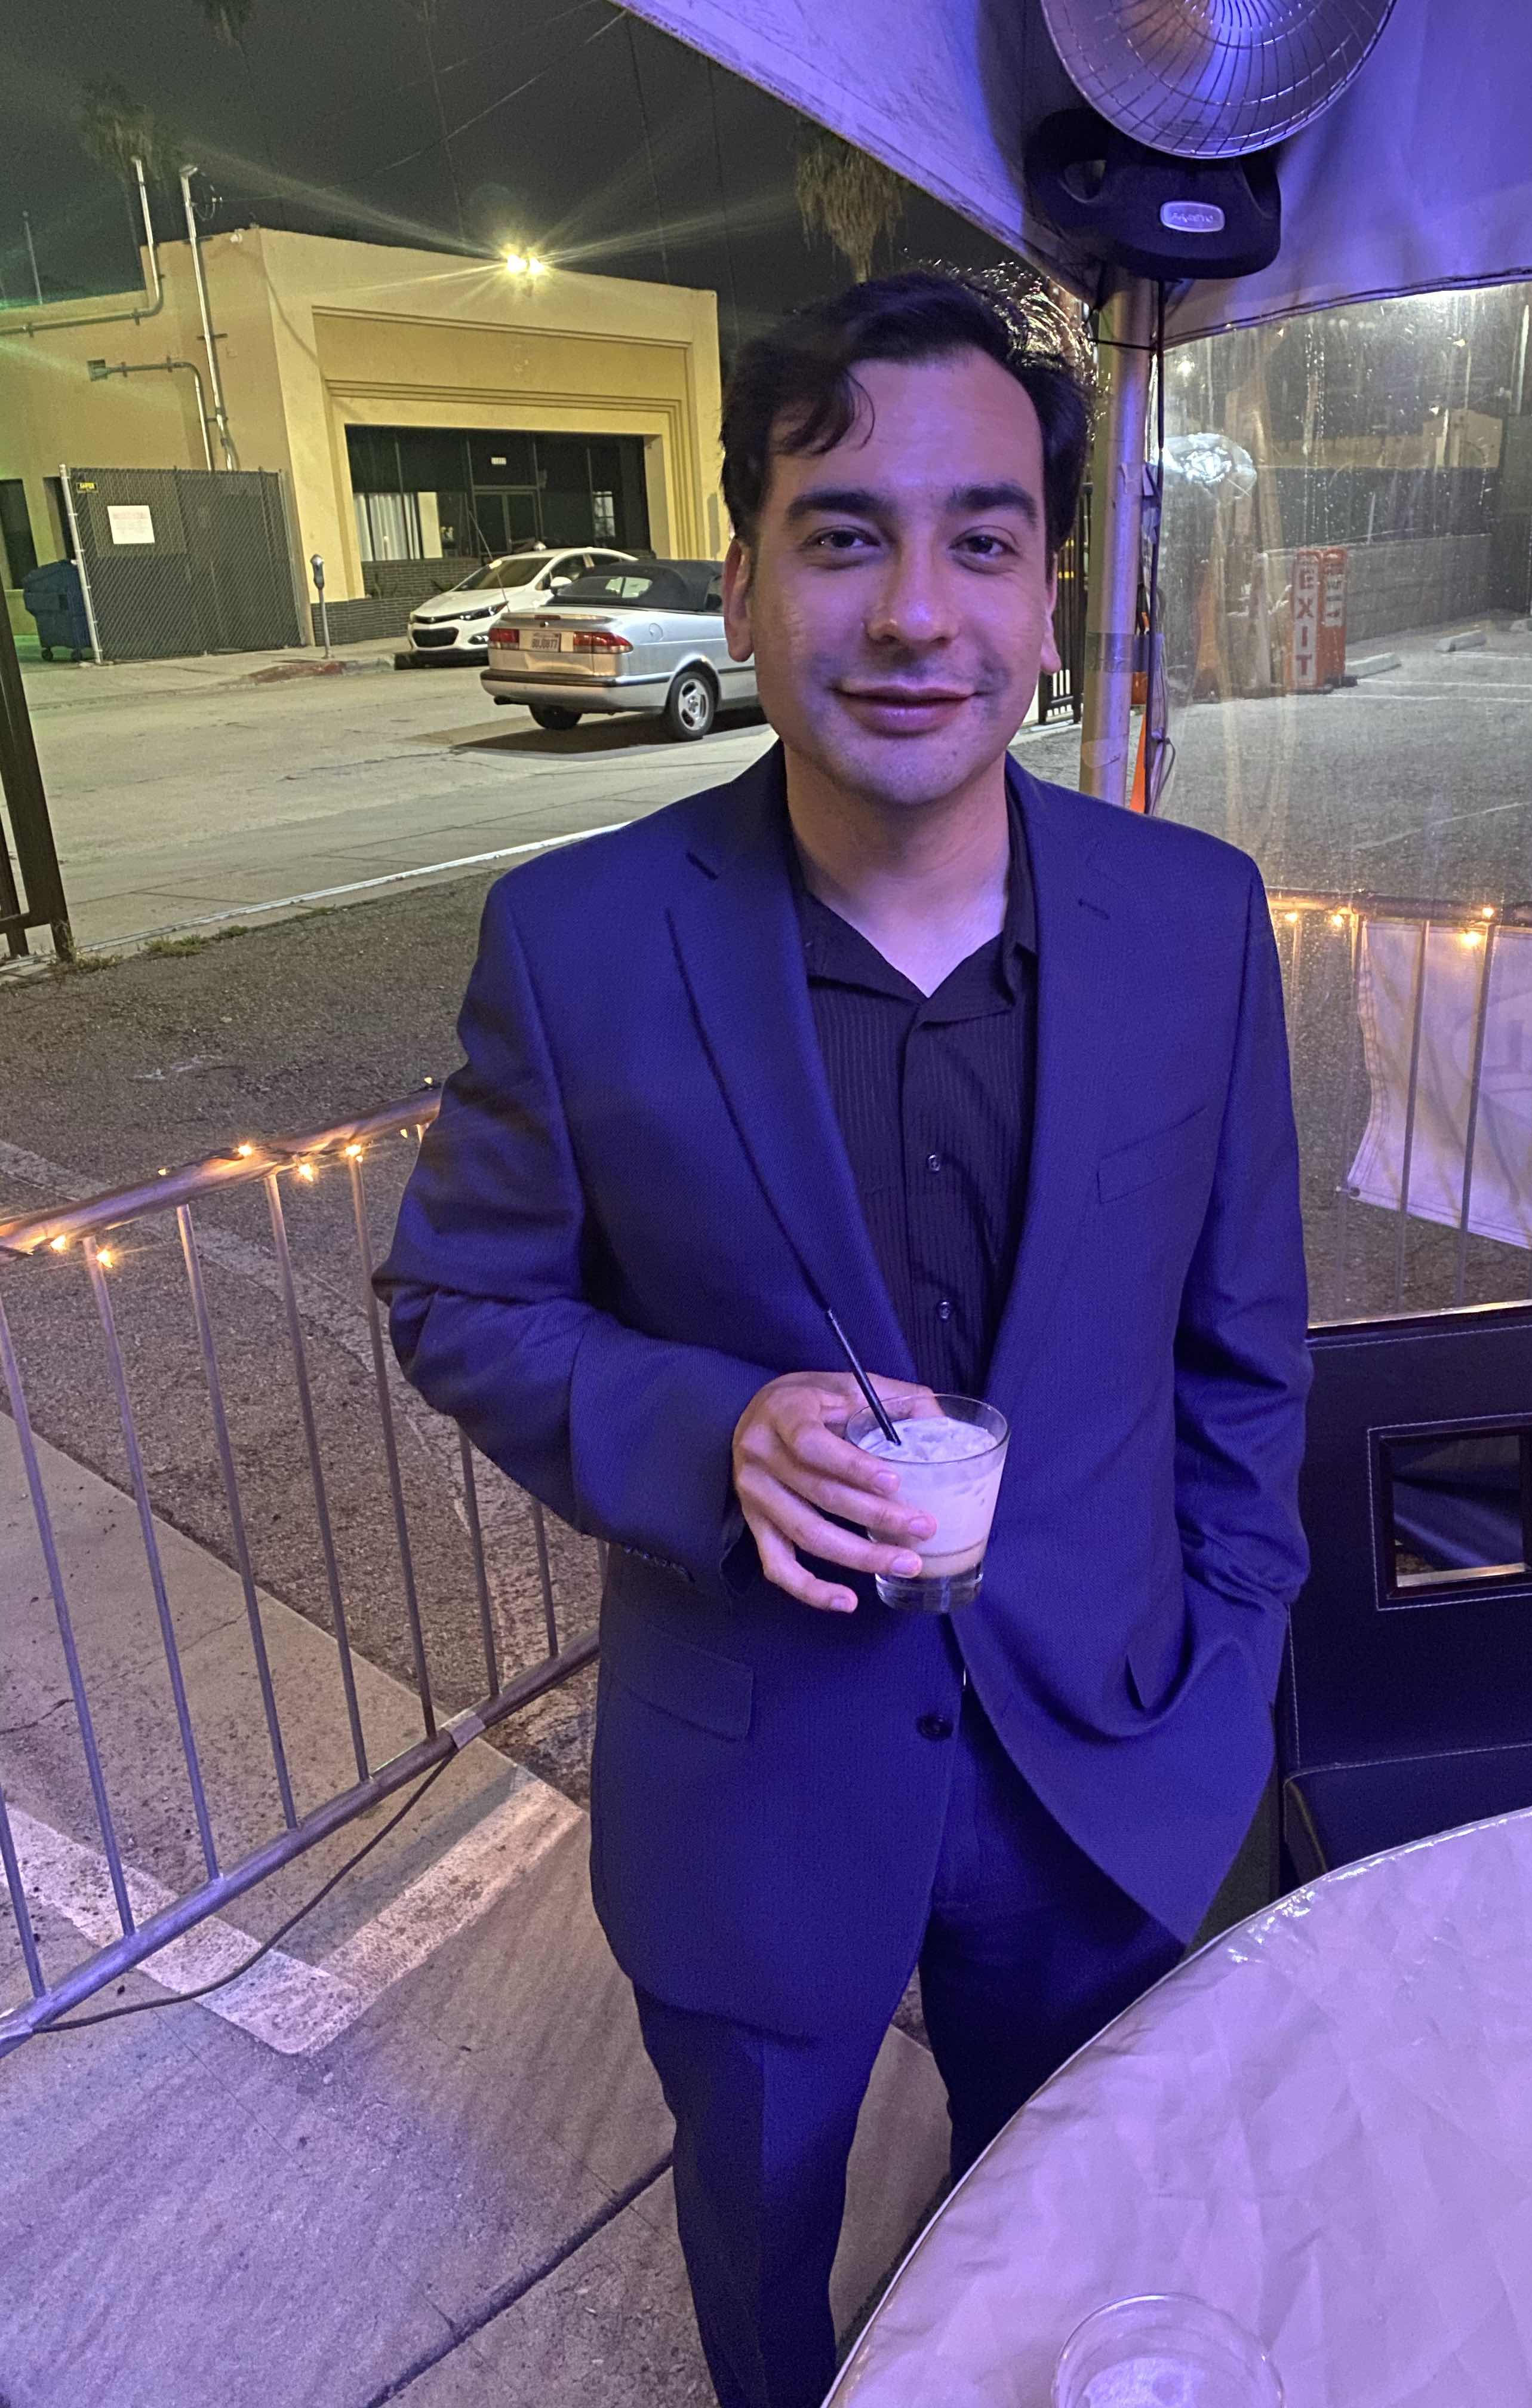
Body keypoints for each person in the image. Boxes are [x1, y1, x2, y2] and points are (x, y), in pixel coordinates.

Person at [377, 271, 1310, 2408]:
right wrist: (708, 1431)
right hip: (756, 1791)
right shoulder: (581, 942)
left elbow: (1243, 1355)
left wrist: (1228, 1676)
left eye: (981, 540)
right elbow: (458, 1295)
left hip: (1112, 1765)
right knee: (767, 2276)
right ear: (744, 581)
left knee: (1073, 2240)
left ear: (1052, 598)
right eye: (841, 535)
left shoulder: (1196, 922)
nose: (912, 613)